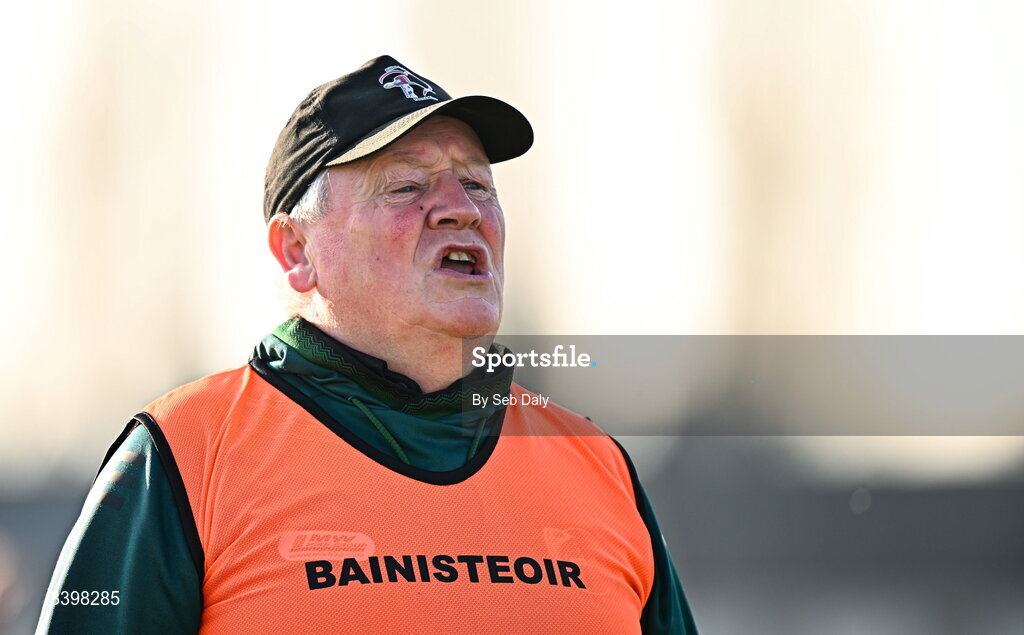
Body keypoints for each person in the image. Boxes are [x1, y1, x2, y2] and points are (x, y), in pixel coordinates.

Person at [36, 55, 698, 634]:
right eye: (406, 186)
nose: (463, 208)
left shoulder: (596, 463)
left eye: (477, 184)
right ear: (296, 251)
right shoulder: (183, 455)